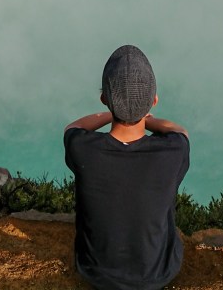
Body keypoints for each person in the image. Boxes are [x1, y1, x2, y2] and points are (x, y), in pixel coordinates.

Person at [63, 44, 190, 290]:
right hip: (157, 274)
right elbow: (179, 131)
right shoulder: (173, 151)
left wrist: (113, 113)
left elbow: (73, 127)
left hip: (96, 272)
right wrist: (146, 119)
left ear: (104, 100)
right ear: (154, 101)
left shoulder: (83, 147)